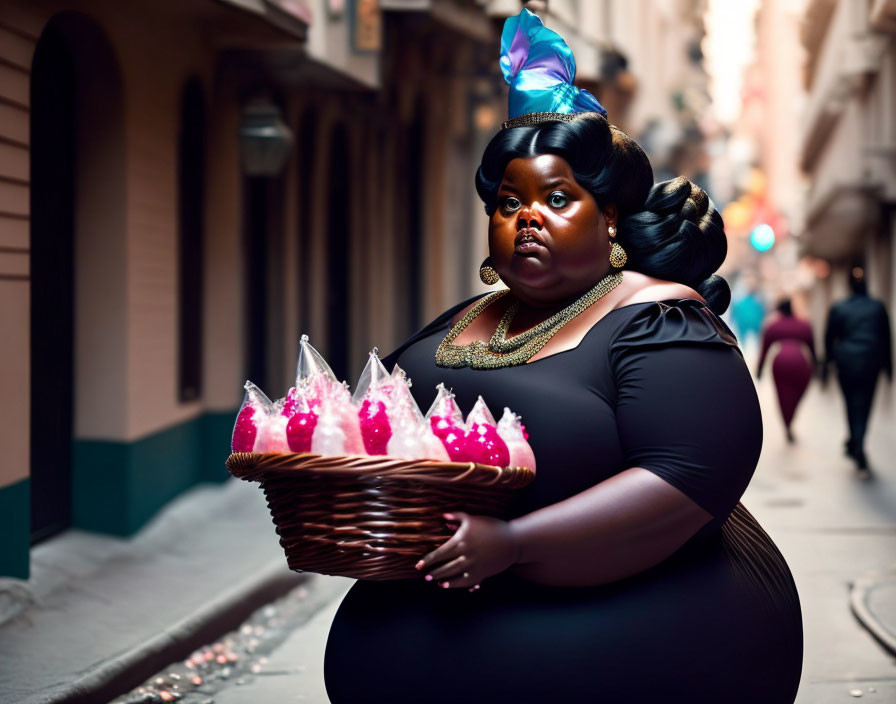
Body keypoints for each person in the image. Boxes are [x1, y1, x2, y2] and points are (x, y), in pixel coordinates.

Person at [324, 10, 802, 702]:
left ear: (608, 217)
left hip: (640, 644)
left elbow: (687, 477)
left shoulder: (659, 319)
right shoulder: (466, 319)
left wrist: (516, 540)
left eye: (556, 198)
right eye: (508, 201)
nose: (526, 217)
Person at [823, 272, 893, 472]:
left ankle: (856, 442)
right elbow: (886, 338)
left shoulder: (839, 308)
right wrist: (889, 368)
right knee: (865, 404)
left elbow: (830, 337)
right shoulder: (878, 307)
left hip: (846, 362)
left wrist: (827, 365)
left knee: (851, 403)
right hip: (871, 362)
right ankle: (858, 442)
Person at [756, 298, 816, 443]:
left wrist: (760, 369)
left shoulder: (773, 326)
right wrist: (818, 368)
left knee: (783, 396)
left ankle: (787, 423)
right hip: (801, 363)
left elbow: (764, 350)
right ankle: (790, 420)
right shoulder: (804, 325)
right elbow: (813, 349)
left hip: (780, 364)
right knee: (795, 396)